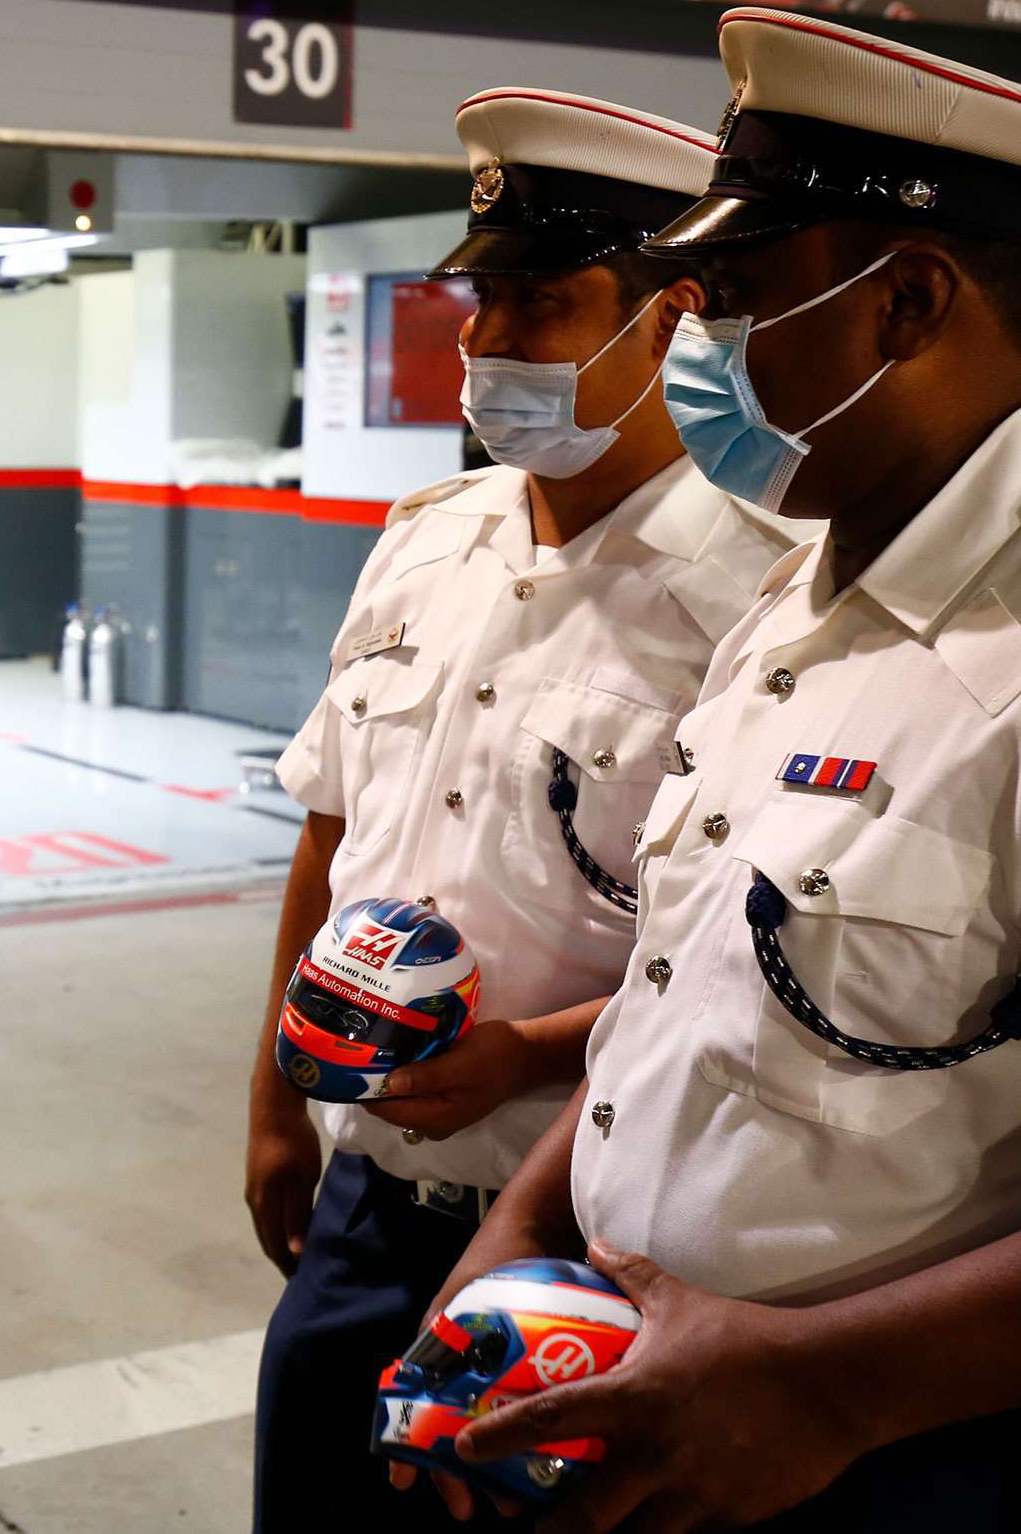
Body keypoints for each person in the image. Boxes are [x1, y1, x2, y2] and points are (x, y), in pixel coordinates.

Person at [422, 9, 1021, 1533]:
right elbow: (686, 1000)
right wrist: (525, 1236)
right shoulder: (803, 597)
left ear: (909, 301)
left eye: (729, 298)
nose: (693, 343)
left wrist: (828, 1388)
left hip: (968, 1460)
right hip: (703, 1418)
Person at [247, 88, 804, 1532]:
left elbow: (749, 955)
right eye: (478, 303)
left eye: (541, 304)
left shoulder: (761, 598)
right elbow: (330, 828)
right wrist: (271, 1106)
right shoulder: (430, 546)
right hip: (366, 1205)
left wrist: (521, 1060)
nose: (486, 345)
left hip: (588, 1233)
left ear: (672, 316)